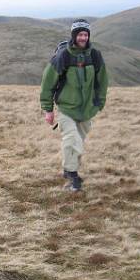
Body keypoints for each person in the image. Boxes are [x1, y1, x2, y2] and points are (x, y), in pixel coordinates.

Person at [40, 19, 109, 191]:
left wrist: (99, 103)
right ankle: (72, 177)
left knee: (78, 144)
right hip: (66, 108)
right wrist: (48, 110)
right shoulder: (63, 56)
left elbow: (103, 81)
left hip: (87, 110)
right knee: (71, 140)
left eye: (85, 34)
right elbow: (47, 84)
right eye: (80, 34)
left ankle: (70, 170)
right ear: (74, 36)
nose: (83, 37)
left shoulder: (95, 55)